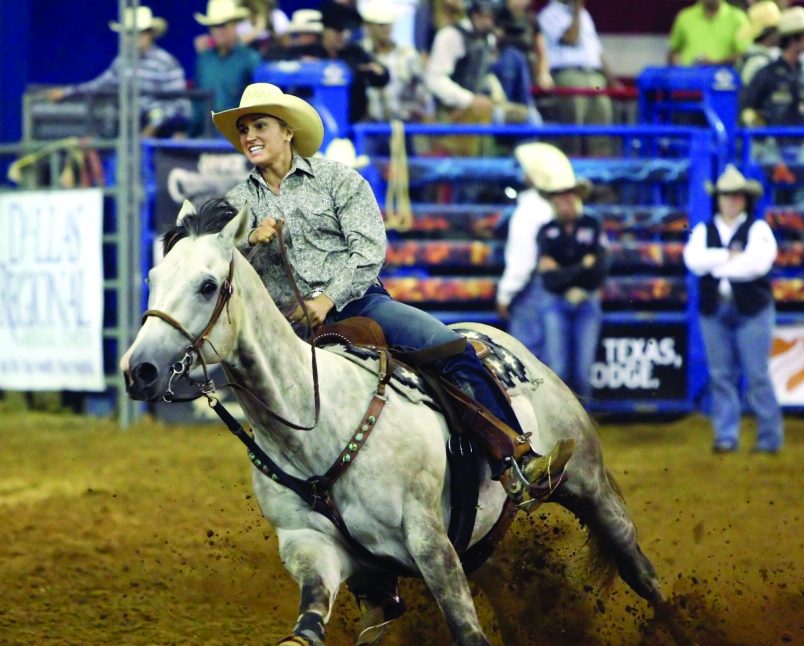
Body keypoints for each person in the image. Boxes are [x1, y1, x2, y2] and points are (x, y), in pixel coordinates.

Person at [213, 82, 574, 496]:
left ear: (288, 132)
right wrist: (249, 243)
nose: (250, 137)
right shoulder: (237, 203)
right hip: (287, 330)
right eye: (244, 130)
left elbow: (368, 250)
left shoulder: (337, 180)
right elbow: (219, 264)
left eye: (260, 125)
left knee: (449, 348)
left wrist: (327, 299)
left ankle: (515, 459)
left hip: (360, 306)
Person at [682, 165, 783, 454]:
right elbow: (693, 261)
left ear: (744, 198)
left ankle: (768, 437)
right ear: (720, 198)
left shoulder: (758, 228)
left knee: (756, 374)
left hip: (751, 310)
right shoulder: (705, 229)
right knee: (721, 375)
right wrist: (728, 255)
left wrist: (715, 264)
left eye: (736, 196)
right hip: (717, 309)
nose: (731, 200)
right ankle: (727, 436)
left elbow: (757, 265)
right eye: (727, 195)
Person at [742, 7, 804, 206]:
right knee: (769, 195)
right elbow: (747, 107)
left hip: (801, 143)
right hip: (772, 144)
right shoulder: (766, 74)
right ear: (795, 38)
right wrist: (760, 135)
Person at [41, 6, 191, 138]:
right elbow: (100, 85)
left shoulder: (165, 62)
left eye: (142, 31)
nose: (136, 37)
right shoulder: (122, 62)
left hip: (161, 129)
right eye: (131, 33)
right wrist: (67, 93)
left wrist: (153, 126)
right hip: (129, 126)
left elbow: (179, 104)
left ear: (150, 34)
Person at [536, 166, 607, 404]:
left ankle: (584, 426)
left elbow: (600, 269)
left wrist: (563, 272)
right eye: (559, 195)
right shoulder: (546, 231)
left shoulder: (593, 224)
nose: (564, 200)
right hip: (556, 300)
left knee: (583, 370)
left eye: (569, 194)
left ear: (577, 197)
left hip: (586, 299)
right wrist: (581, 267)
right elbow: (548, 278)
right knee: (558, 369)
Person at [425, 0, 530, 156]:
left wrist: (496, 98)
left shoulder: (488, 39)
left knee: (528, 117)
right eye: (483, 16)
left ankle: (520, 168)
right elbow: (434, 80)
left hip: (483, 107)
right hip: (450, 111)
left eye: (490, 17)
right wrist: (468, 100)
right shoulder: (450, 36)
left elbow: (485, 74)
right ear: (473, 15)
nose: (487, 22)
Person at [495, 142, 564, 361]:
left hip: (534, 290)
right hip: (559, 286)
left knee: (527, 360)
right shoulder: (556, 206)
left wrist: (505, 295)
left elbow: (522, 262)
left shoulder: (530, 210)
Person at [266, 2, 390, 124]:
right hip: (315, 123)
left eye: (347, 30)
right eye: (338, 30)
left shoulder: (355, 53)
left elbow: (381, 76)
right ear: (325, 30)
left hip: (352, 124)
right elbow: (272, 57)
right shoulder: (310, 51)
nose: (343, 35)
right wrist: (306, 66)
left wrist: (374, 72)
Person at [537, 0, 619, 157]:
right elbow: (571, 38)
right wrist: (576, 11)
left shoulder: (584, 14)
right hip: (568, 73)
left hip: (594, 76)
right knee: (573, 130)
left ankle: (601, 178)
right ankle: (571, 177)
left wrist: (612, 80)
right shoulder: (548, 14)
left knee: (601, 128)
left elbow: (597, 49)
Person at [193, 0, 261, 135]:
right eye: (214, 26)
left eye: (223, 25)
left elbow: (260, 100)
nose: (218, 31)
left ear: (234, 25)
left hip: (241, 133)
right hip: (206, 134)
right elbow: (197, 103)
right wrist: (190, 132)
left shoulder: (249, 58)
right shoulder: (204, 59)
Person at [359, 2, 433, 122]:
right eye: (381, 25)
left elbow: (422, 92)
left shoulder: (408, 55)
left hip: (403, 125)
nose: (386, 29)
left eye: (389, 24)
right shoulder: (359, 54)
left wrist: (422, 116)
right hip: (367, 126)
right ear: (368, 26)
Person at [667, 0, 750, 67]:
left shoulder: (738, 17)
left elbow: (744, 53)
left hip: (724, 80)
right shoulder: (685, 16)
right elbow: (674, 51)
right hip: (689, 81)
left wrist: (716, 63)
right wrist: (678, 74)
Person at [739, 1, 781, 85]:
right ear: (768, 32)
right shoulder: (757, 63)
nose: (779, 33)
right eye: (776, 29)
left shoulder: (770, 55)